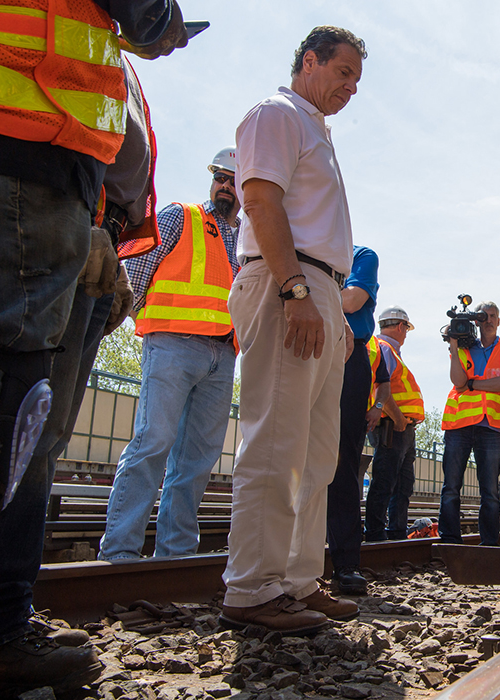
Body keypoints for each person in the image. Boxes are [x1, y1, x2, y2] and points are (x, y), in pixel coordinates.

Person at [0, 2, 186, 691]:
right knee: (18, 413)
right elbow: (144, 12)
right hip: (29, 176)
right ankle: (3, 624)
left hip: (70, 211)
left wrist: (100, 229)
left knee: (34, 423)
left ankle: (10, 614)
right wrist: (160, 19)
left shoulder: (100, 57)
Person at [220, 26, 366, 634]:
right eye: (343, 74)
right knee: (278, 443)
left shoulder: (314, 130)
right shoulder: (277, 113)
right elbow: (259, 201)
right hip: (293, 284)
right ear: (310, 60)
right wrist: (297, 289)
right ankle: (253, 588)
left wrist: (330, 306)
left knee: (316, 453)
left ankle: (298, 580)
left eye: (356, 81)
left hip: (319, 290)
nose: (351, 89)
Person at [99, 148, 241, 561]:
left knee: (196, 462)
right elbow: (136, 276)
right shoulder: (182, 216)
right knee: (152, 443)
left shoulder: (248, 237)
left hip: (223, 356)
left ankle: (175, 557)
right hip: (172, 346)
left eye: (233, 180)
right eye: (219, 177)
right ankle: (119, 552)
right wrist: (154, 328)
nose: (224, 186)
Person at [327, 245, 390, 595]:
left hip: (349, 357)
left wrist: (306, 289)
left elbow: (352, 300)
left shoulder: (361, 255)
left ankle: (345, 562)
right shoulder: (297, 247)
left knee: (344, 460)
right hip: (301, 343)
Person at [439, 301, 500, 546]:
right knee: (451, 486)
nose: (489, 320)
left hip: (489, 428)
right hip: (459, 426)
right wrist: (453, 346)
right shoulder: (464, 347)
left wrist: (472, 384)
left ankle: (489, 544)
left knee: (490, 492)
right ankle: (450, 540)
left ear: (499, 320)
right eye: (484, 316)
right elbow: (456, 379)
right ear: (476, 320)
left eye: (493, 316)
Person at [366, 306, 424, 542]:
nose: (406, 334)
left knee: (402, 484)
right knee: (386, 481)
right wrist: (399, 418)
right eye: (406, 329)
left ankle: (396, 533)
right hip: (393, 426)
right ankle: (376, 534)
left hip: (402, 428)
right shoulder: (385, 349)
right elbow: (383, 388)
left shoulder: (388, 350)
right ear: (401, 327)